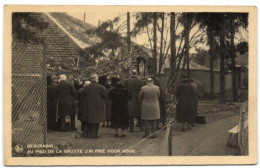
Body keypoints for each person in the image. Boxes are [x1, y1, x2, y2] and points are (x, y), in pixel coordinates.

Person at [82, 74, 106, 138]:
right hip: (97, 106)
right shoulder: (101, 87)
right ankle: (95, 134)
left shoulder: (86, 88)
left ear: (91, 80)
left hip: (89, 106)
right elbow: (104, 96)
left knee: (90, 120)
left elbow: (84, 96)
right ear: (96, 79)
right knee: (96, 120)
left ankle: (90, 133)